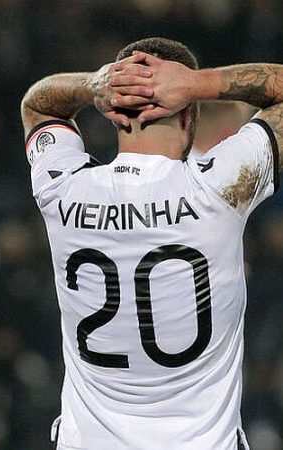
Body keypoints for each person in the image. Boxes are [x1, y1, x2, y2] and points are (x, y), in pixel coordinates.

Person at [20, 37, 282, 450]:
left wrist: (95, 85)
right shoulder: (217, 189)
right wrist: (197, 84)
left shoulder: (62, 189)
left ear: (114, 111)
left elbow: (37, 104)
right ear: (189, 114)